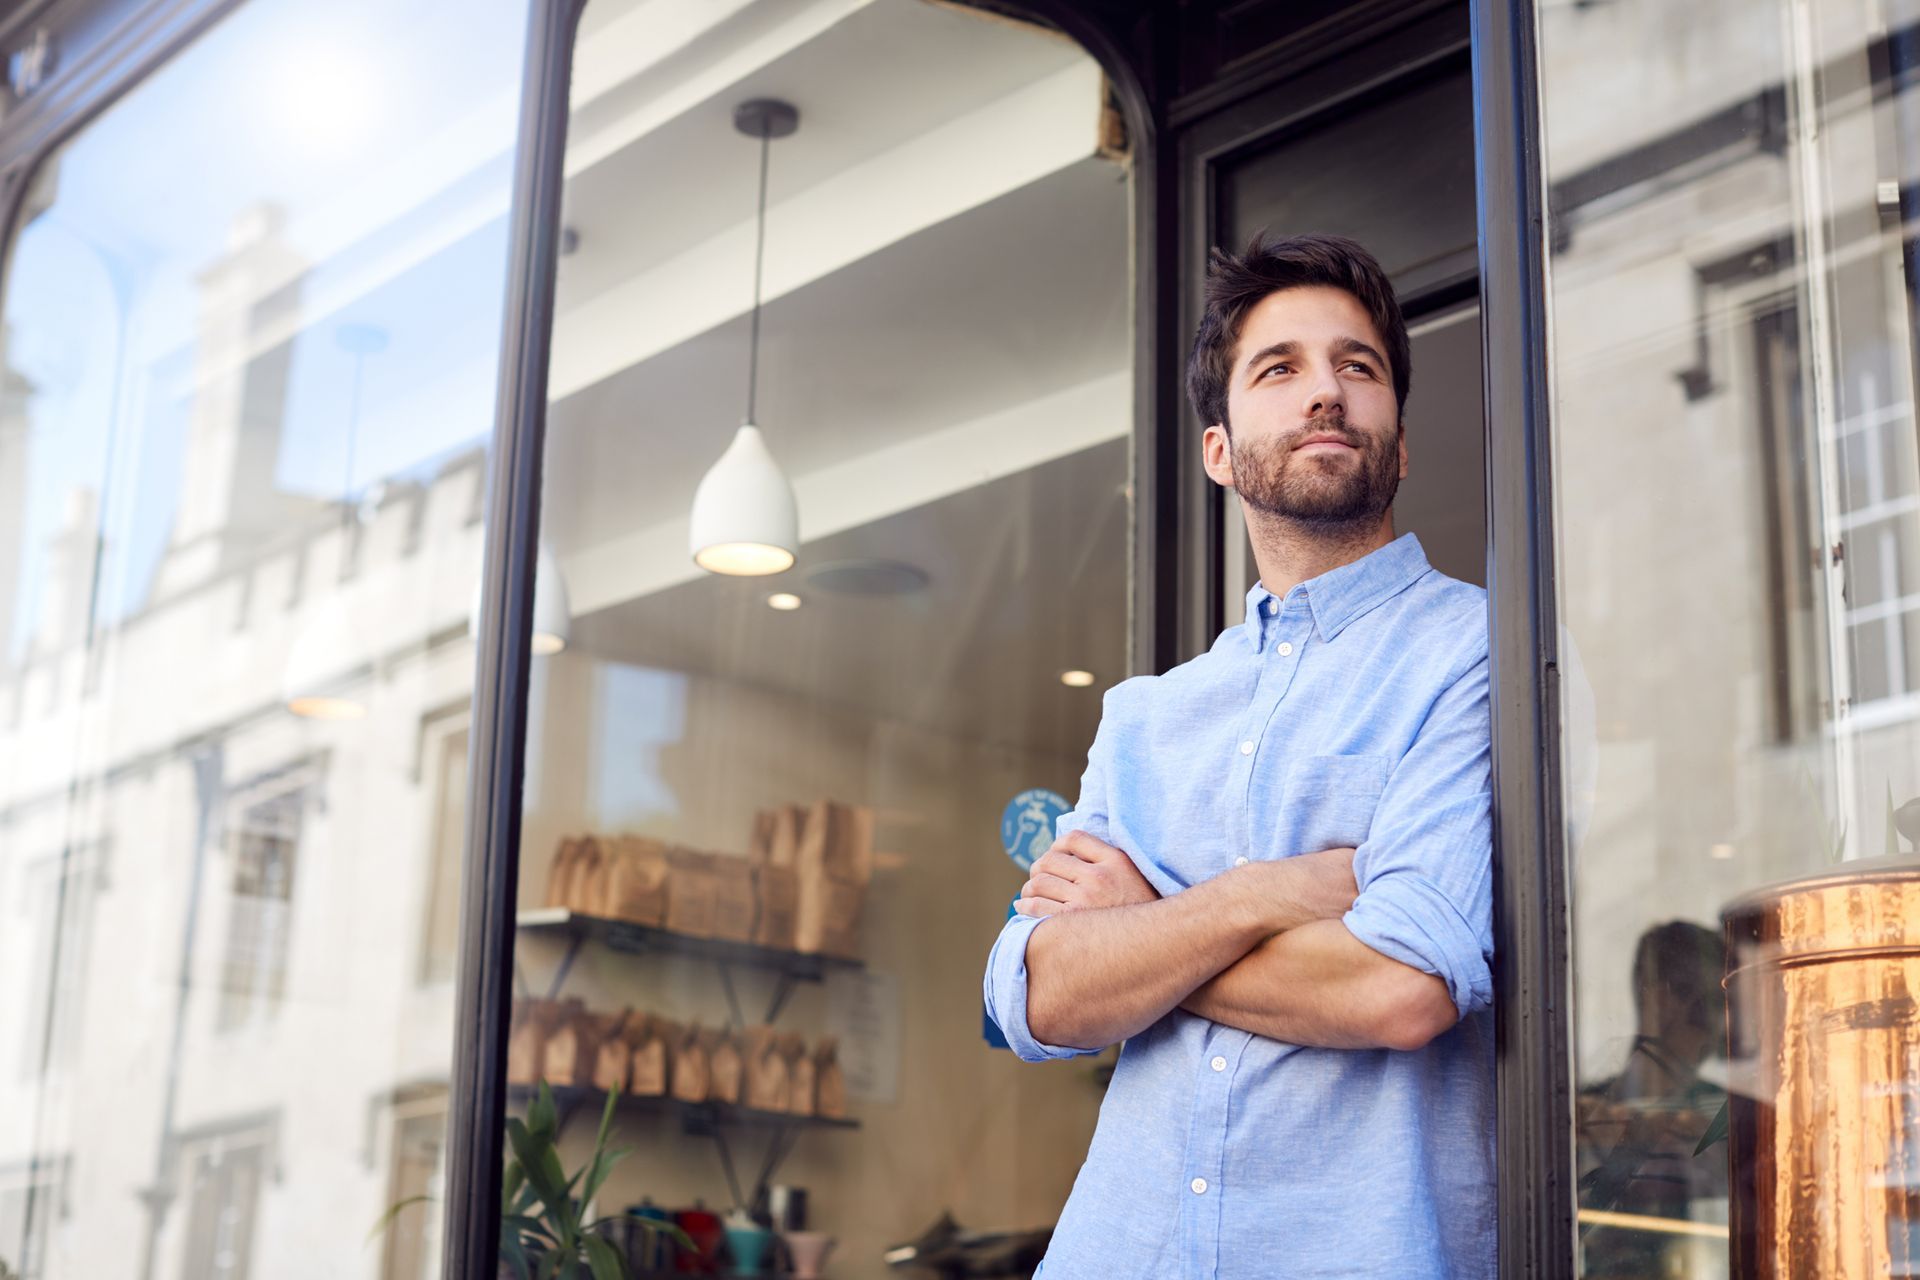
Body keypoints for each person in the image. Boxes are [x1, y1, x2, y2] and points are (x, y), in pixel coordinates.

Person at [983, 233, 1494, 1278]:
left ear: (1399, 443)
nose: (1327, 393)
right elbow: (1032, 993)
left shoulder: (1480, 649)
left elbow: (1399, 987)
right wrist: (1262, 895)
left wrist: (1140, 928)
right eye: (1281, 368)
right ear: (1218, 451)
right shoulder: (1146, 715)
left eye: (1360, 366)